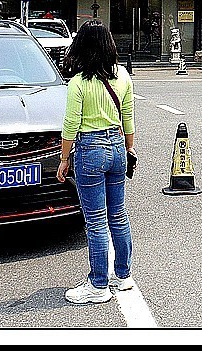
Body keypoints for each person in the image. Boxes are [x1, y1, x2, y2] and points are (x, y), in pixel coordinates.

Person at [56, 19, 136, 304]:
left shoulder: (78, 83)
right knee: (118, 214)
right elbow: (128, 117)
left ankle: (98, 284)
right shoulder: (124, 76)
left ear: (82, 46)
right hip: (117, 146)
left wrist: (64, 159)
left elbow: (70, 125)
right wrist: (128, 149)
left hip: (90, 149)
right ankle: (123, 277)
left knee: (96, 221)